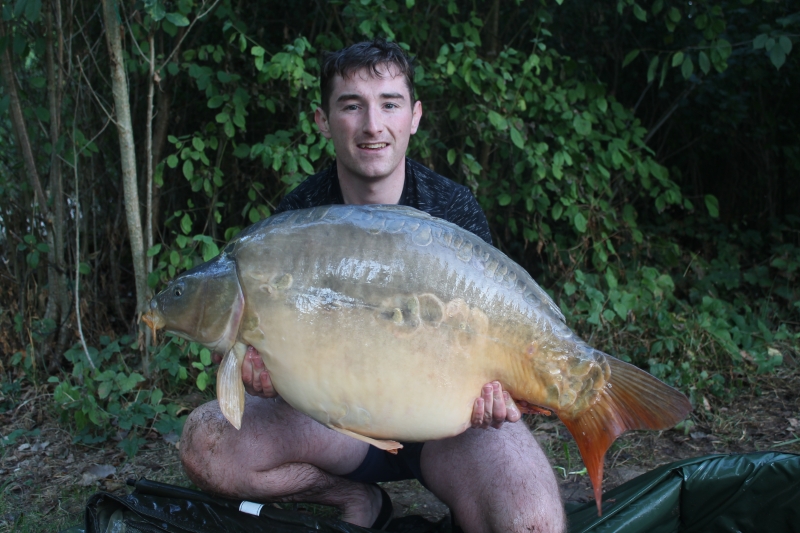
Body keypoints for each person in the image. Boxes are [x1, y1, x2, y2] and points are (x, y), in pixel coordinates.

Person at [180, 39, 565, 533]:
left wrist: (502, 393)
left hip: (446, 431)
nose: (372, 126)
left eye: (389, 104)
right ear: (323, 120)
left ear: (415, 115)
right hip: (333, 422)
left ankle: (467, 506)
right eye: (351, 106)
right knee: (205, 444)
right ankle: (357, 500)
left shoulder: (452, 208)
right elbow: (245, 338)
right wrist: (258, 371)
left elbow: (494, 341)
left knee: (534, 522)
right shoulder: (297, 219)